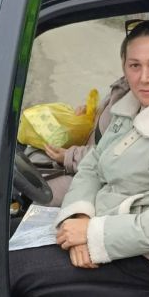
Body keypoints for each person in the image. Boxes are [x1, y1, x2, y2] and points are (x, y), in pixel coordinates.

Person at [10, 20, 149, 297]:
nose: (143, 78)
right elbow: (92, 165)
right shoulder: (129, 107)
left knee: (9, 272)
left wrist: (92, 236)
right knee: (3, 239)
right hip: (100, 227)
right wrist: (79, 217)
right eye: (134, 66)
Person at [33, 74, 130, 206]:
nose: (144, 76)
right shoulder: (124, 86)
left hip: (97, 176)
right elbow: (105, 130)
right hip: (83, 157)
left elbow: (113, 156)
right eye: (134, 64)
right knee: (31, 157)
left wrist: (69, 156)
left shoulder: (143, 100)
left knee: (40, 194)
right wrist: (89, 116)